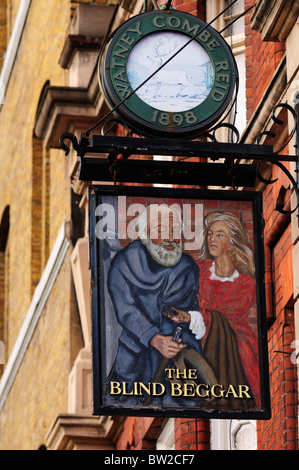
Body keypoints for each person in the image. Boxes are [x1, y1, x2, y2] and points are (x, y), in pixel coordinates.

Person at [104, 204, 208, 407]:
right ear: (145, 234)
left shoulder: (187, 268)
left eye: (175, 231)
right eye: (161, 230)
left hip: (176, 354)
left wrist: (178, 335)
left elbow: (187, 309)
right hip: (135, 357)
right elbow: (127, 310)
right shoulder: (124, 264)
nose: (170, 237)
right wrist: (153, 337)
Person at [167, 211, 260, 409]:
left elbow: (230, 312)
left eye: (219, 235)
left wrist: (192, 316)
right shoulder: (199, 269)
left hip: (234, 347)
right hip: (195, 341)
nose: (212, 239)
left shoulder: (245, 283)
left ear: (232, 242)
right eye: (210, 234)